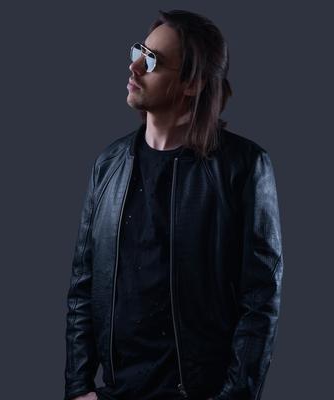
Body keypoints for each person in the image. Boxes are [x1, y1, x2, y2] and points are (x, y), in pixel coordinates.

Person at [64, 9, 284, 400]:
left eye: (152, 61)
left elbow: (260, 299)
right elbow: (83, 287)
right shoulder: (108, 165)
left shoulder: (244, 167)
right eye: (139, 51)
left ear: (192, 84)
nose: (134, 66)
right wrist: (78, 388)